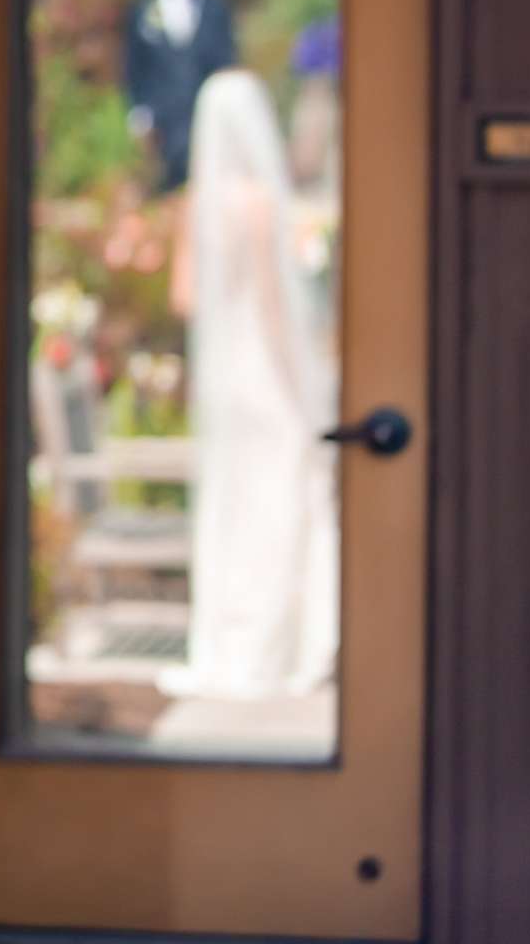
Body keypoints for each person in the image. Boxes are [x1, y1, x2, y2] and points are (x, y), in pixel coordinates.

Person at [159, 70, 339, 705]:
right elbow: (273, 303)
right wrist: (303, 378)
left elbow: (185, 299)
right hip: (262, 366)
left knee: (237, 496)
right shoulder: (260, 203)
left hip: (224, 376)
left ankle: (231, 639)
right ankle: (281, 644)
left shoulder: (197, 203)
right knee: (285, 487)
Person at [122, 0, 238, 193]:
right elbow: (134, 63)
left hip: (202, 108)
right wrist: (139, 109)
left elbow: (226, 59)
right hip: (161, 113)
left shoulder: (215, 8)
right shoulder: (145, 8)